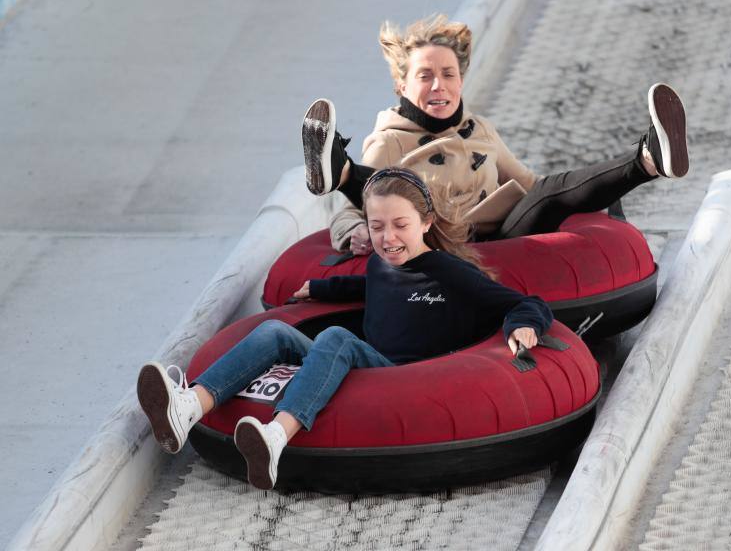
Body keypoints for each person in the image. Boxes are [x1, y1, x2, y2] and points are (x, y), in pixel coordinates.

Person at [137, 168, 553, 490]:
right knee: (275, 333)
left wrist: (523, 325)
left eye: (400, 225)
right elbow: (368, 285)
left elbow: (524, 302)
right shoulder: (380, 261)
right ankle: (189, 407)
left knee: (336, 339)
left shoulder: (449, 272)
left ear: (426, 222)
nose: (387, 237)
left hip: (401, 376)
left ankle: (276, 438)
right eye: (377, 226)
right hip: (361, 364)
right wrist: (319, 287)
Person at [301, 14, 689, 255]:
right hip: (441, 247)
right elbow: (349, 217)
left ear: (461, 81)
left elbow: (533, 187)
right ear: (401, 86)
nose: (439, 86)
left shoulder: (479, 129)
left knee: (548, 193)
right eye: (425, 76)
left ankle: (648, 159)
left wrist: (591, 197)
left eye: (448, 75)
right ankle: (344, 173)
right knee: (391, 189)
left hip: (503, 241)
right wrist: (355, 233)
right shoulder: (390, 141)